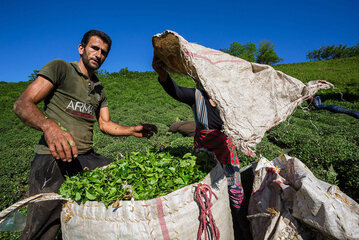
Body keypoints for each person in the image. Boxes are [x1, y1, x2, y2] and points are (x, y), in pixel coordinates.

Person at [13, 30, 157, 240]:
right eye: (95, 48)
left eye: (104, 52)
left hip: (85, 157)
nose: (99, 55)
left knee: (123, 179)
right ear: (81, 49)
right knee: (42, 230)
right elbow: (22, 104)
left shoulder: (99, 89)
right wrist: (49, 126)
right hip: (53, 158)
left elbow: (105, 124)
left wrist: (131, 130)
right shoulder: (61, 68)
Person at [152, 54, 251, 239]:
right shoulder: (196, 96)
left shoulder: (226, 101)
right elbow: (175, 90)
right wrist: (162, 74)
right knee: (208, 194)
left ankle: (242, 229)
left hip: (225, 149)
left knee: (236, 194)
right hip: (204, 151)